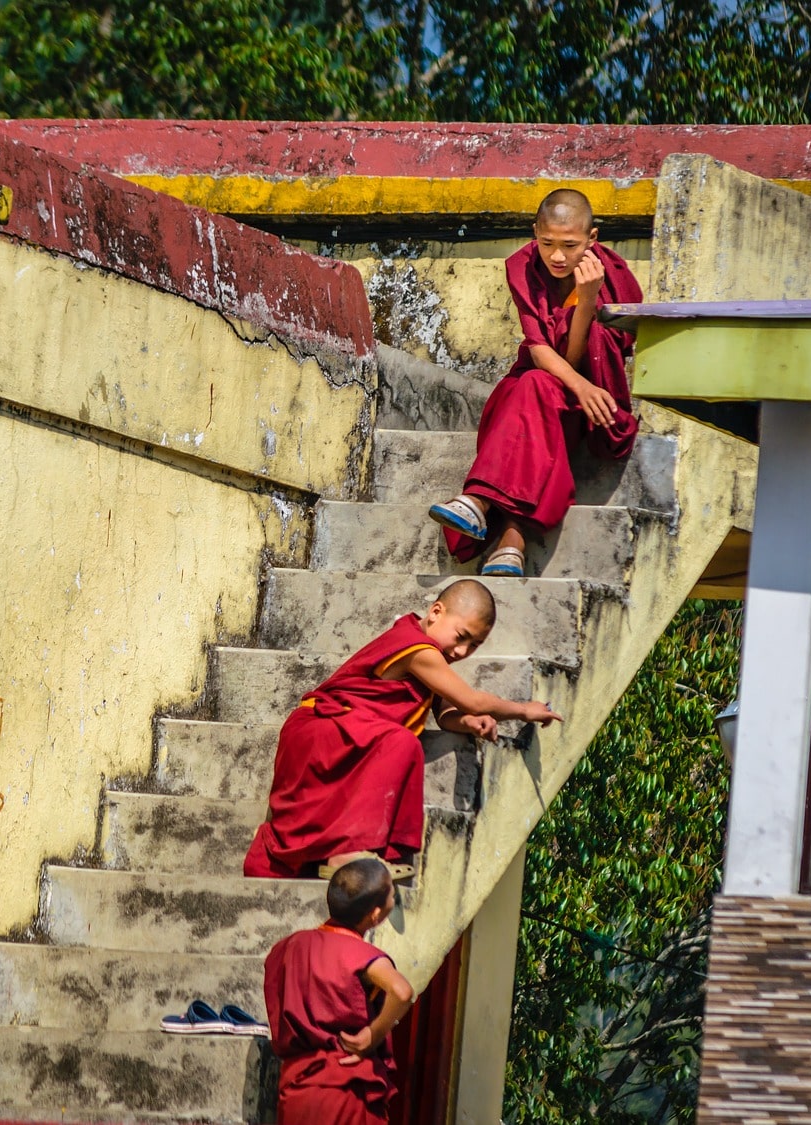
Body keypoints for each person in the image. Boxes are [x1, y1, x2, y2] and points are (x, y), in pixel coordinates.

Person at [243, 579, 561, 879]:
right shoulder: (417, 649)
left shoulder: (428, 653)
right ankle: (346, 854)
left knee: (397, 741)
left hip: (344, 730)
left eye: (474, 645)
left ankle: (338, 851)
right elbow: (472, 700)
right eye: (461, 636)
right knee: (401, 742)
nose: (462, 651)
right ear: (436, 612)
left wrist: (467, 722)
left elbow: (445, 713)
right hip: (320, 729)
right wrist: (523, 710)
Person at [429, 188, 644, 576]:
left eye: (570, 245)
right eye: (547, 243)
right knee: (532, 386)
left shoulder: (612, 277)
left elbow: (581, 359)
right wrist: (579, 385)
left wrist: (587, 299)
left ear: (592, 239)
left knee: (532, 388)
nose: (557, 256)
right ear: (535, 234)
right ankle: (511, 543)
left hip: (588, 403)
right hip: (554, 388)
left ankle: (479, 502)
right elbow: (540, 348)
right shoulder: (523, 268)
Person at [262, 858, 414, 1123]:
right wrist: (373, 1035)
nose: (394, 898)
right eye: (393, 894)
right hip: (346, 1086)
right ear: (376, 915)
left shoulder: (287, 947)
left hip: (299, 1088)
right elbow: (402, 992)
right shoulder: (364, 956)